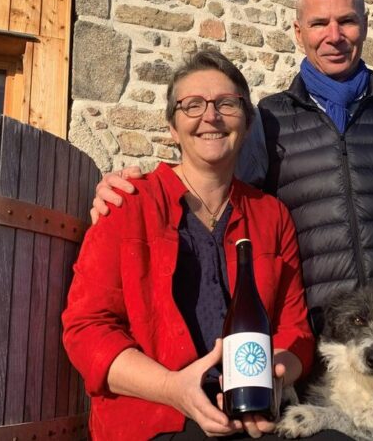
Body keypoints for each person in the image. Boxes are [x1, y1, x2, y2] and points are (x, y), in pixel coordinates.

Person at [92, 0, 373, 440]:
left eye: (347, 21)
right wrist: (126, 186)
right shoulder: (267, 122)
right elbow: (214, 179)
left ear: (365, 26)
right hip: (320, 351)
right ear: (298, 32)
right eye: (318, 23)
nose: (333, 36)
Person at [63, 50, 326, 440]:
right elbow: (86, 330)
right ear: (172, 126)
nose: (211, 116)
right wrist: (173, 388)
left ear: (248, 122)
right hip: (155, 420)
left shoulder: (271, 216)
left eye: (227, 103)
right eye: (192, 105)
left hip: (254, 416)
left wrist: (276, 372)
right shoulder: (127, 204)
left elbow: (295, 330)